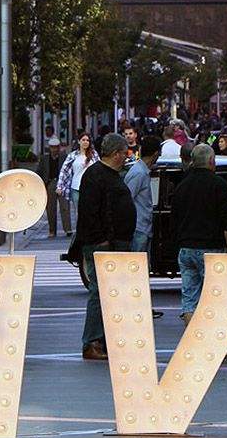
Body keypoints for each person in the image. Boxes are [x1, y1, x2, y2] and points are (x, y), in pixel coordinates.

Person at [171, 143, 227, 360]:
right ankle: (221, 346)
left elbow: (174, 220)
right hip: (211, 248)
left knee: (190, 297)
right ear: (212, 162)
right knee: (216, 299)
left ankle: (193, 342)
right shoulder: (219, 185)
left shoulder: (181, 186)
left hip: (186, 248)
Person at [74, 133, 135, 361]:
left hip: (113, 242)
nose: (125, 157)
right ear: (117, 153)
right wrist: (102, 240)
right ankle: (92, 341)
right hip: (103, 244)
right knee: (100, 293)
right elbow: (90, 212)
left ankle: (104, 339)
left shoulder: (107, 175)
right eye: (124, 153)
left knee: (110, 294)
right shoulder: (97, 176)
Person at [56, 134, 97, 238]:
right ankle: (80, 233)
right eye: (83, 140)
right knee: (78, 212)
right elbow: (64, 171)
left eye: (87, 140)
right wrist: (59, 186)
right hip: (76, 187)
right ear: (79, 141)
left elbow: (99, 170)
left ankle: (90, 232)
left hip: (91, 188)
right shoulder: (73, 155)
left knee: (90, 210)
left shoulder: (94, 155)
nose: (85, 142)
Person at [125, 135, 160, 254]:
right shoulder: (139, 173)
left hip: (143, 227)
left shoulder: (142, 171)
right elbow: (127, 199)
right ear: (155, 154)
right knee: (138, 265)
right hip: (138, 228)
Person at [39, 137, 70, 238]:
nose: (54, 150)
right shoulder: (44, 159)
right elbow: (39, 172)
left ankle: (68, 229)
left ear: (59, 147)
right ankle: (52, 230)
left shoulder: (64, 157)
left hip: (62, 184)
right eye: (52, 147)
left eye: (56, 147)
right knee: (50, 208)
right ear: (49, 148)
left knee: (64, 206)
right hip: (50, 183)